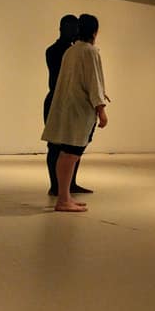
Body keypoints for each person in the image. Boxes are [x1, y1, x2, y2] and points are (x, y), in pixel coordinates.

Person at [41, 14, 108, 212]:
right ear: (95, 32)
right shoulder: (90, 51)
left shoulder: (71, 52)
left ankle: (64, 195)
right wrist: (101, 110)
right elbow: (94, 83)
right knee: (71, 154)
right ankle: (63, 199)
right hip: (79, 111)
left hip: (66, 107)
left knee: (66, 153)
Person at [43, 15, 92, 195]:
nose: (75, 33)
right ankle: (56, 185)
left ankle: (69, 183)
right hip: (57, 101)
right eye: (72, 29)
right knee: (55, 145)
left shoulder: (72, 51)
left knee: (74, 144)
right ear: (63, 29)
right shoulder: (57, 51)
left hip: (66, 101)